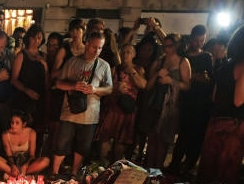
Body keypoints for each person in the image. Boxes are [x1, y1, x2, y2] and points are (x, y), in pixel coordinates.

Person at [198, 24, 244, 184]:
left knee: (208, 170)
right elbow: (238, 100)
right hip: (232, 126)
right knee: (225, 173)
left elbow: (214, 96)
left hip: (215, 122)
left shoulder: (225, 64)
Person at [52, 32, 112, 175]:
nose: (96, 51)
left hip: (90, 114)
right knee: (62, 144)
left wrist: (95, 89)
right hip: (69, 112)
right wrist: (74, 86)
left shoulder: (104, 66)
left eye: (100, 48)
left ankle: (74, 172)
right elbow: (59, 83)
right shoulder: (72, 61)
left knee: (83, 146)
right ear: (87, 44)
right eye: (94, 47)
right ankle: (54, 172)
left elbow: (109, 89)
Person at [169, 25, 213, 174]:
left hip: (201, 103)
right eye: (197, 40)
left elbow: (210, 79)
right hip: (186, 100)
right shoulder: (183, 56)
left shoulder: (206, 57)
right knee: (183, 135)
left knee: (197, 136)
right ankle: (175, 165)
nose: (199, 43)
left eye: (202, 40)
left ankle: (189, 165)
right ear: (191, 38)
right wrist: (193, 76)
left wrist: (203, 79)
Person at [143, 34, 191, 169]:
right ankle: (149, 169)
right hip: (156, 102)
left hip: (171, 106)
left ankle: (157, 171)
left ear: (176, 46)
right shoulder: (160, 61)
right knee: (152, 139)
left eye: (169, 46)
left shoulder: (183, 62)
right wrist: (157, 75)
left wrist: (171, 81)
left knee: (164, 140)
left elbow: (187, 85)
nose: (166, 49)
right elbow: (148, 86)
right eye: (164, 46)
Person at [95, 43, 146, 161]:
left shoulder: (138, 69)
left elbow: (143, 85)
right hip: (112, 106)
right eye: (123, 52)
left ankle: (115, 167)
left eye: (128, 52)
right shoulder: (115, 68)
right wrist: (115, 87)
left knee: (121, 140)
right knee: (105, 138)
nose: (125, 55)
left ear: (134, 54)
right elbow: (105, 86)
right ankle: (102, 166)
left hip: (126, 109)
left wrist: (132, 72)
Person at [0, 110, 50, 178]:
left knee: (46, 161)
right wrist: (13, 166)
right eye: (12, 122)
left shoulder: (31, 133)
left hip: (26, 163)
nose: (13, 125)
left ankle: (13, 175)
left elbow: (32, 155)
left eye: (17, 123)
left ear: (24, 124)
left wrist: (26, 165)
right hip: (12, 163)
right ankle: (21, 175)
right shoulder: (6, 134)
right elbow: (9, 155)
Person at [11, 25, 47, 133]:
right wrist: (27, 90)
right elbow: (13, 79)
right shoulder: (21, 55)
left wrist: (44, 64)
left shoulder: (44, 56)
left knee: (38, 128)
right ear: (29, 38)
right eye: (34, 37)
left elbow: (47, 77)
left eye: (39, 38)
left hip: (40, 95)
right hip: (24, 97)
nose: (36, 41)